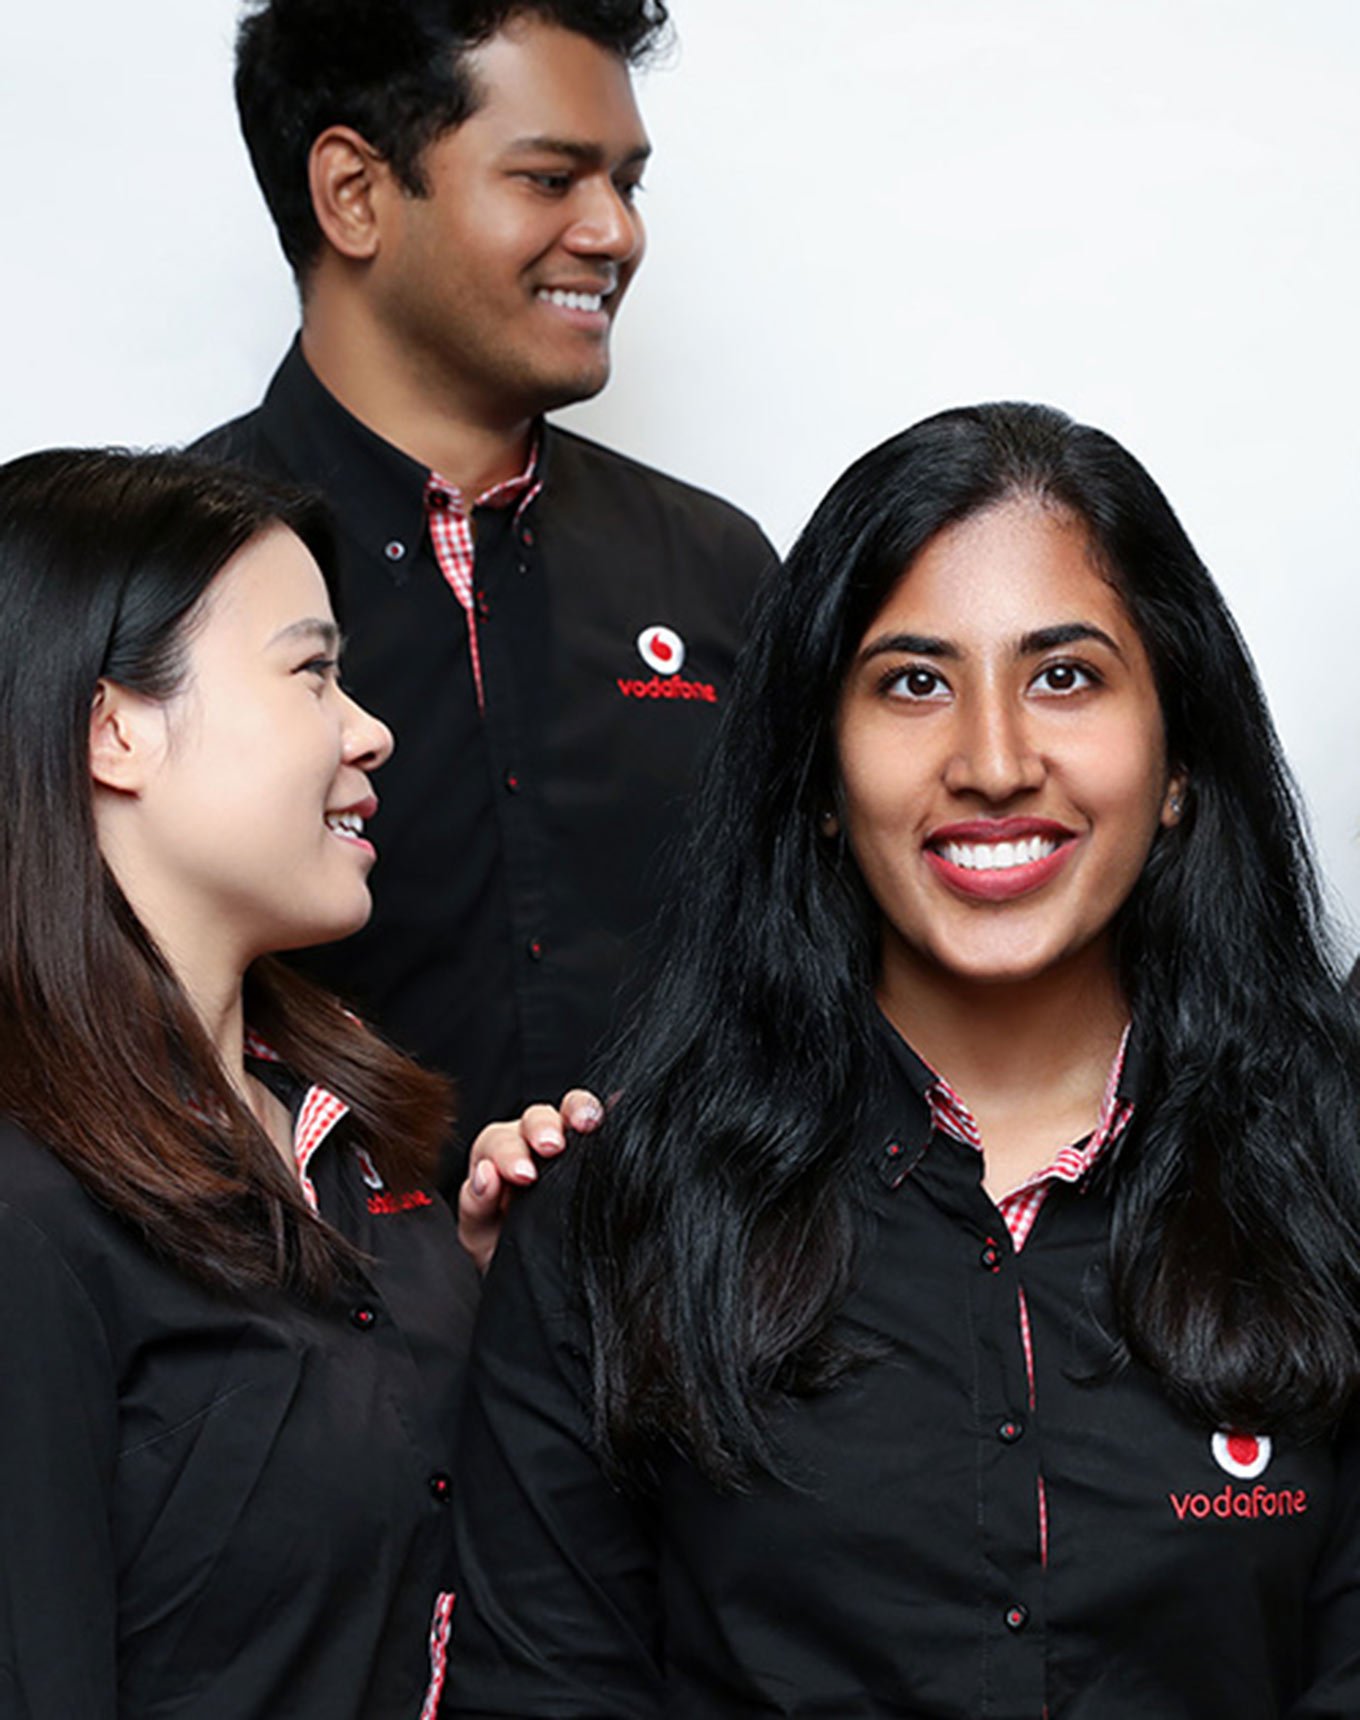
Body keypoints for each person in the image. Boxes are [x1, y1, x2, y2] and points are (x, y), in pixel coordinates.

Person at [448, 402, 1360, 1718]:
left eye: (1066, 675)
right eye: (913, 682)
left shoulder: (1329, 1172)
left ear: (1178, 761)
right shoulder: (620, 1216)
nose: (993, 762)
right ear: (818, 772)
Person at [0, 447, 535, 1718]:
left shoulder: (347, 1140)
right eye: (311, 672)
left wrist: (488, 1294)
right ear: (113, 728)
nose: (371, 728)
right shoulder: (27, 1206)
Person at [194, 0, 775, 1169]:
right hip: (306, 1323)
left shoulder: (715, 567)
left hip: (688, 1330)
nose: (612, 232)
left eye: (627, 183)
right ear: (355, 192)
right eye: (552, 178)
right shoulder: (166, 575)